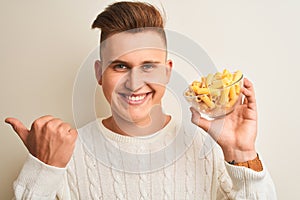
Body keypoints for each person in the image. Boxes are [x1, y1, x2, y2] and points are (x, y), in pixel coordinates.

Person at [5, 1, 277, 199]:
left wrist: (242, 155)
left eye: (148, 66)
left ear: (167, 71)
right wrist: (43, 170)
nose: (134, 84)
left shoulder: (209, 146)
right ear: (100, 73)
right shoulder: (63, 155)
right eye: (120, 66)